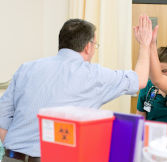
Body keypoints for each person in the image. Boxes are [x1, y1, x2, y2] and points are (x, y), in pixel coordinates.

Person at [0, 15, 152, 162]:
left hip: (11, 157)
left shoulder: (26, 68)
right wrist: (145, 44)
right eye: (95, 45)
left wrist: (17, 150)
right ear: (88, 46)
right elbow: (140, 80)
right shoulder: (95, 76)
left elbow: (2, 114)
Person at [136, 44, 167, 126]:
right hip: (151, 135)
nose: (159, 76)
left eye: (164, 71)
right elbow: (140, 119)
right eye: (156, 71)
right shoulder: (147, 87)